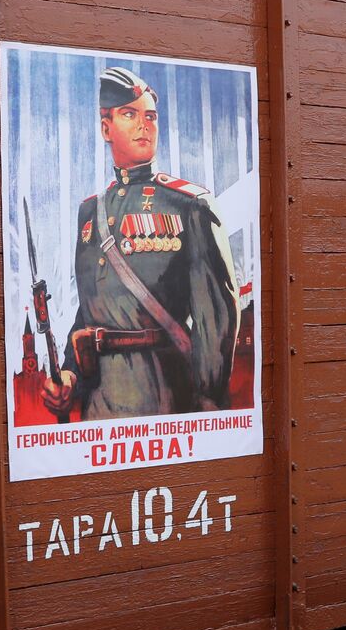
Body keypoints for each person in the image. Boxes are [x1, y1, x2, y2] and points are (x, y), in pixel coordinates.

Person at [43, 66, 239, 421]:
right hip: (96, 404)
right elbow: (89, 311)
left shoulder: (189, 205)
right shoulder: (90, 212)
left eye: (150, 116)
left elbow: (216, 319)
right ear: (107, 128)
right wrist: (69, 374)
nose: (143, 124)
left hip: (162, 397)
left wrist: (208, 403)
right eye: (130, 114)